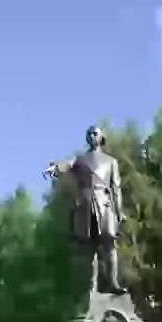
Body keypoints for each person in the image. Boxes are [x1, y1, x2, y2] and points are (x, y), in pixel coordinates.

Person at [43, 125, 126, 295]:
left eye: (95, 133)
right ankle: (90, 286)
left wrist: (119, 212)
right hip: (85, 205)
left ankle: (112, 282)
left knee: (110, 245)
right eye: (89, 133)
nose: (91, 136)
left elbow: (116, 187)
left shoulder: (111, 161)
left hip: (105, 204)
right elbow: (65, 164)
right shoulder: (80, 160)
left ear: (102, 137)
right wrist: (54, 168)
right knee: (88, 248)